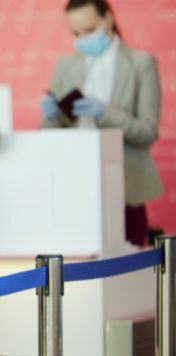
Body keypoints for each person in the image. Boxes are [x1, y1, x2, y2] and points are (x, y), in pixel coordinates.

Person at [40, 0, 163, 247]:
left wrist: (105, 112)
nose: (83, 38)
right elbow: (49, 136)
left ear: (108, 19)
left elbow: (148, 132)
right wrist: (51, 116)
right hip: (77, 186)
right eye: (75, 33)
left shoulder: (142, 64)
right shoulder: (65, 66)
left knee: (129, 271)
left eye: (89, 29)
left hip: (127, 189)